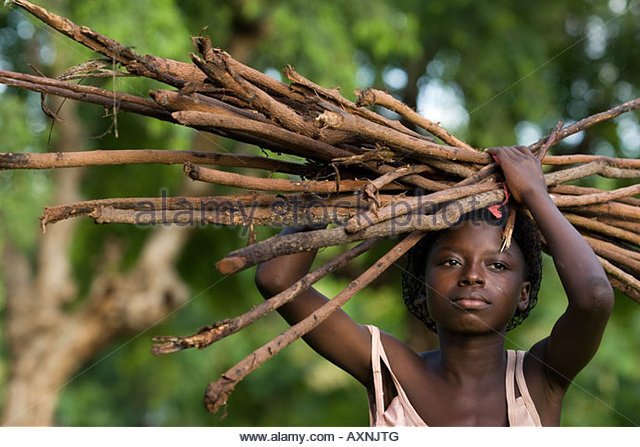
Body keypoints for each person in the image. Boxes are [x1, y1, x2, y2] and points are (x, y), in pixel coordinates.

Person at [254, 145, 614, 426]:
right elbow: (277, 280)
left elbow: (594, 298)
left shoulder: (540, 378)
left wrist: (536, 193)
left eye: (497, 265)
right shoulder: (388, 368)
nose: (472, 276)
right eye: (451, 262)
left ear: (523, 294)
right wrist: (338, 184)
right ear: (424, 283)